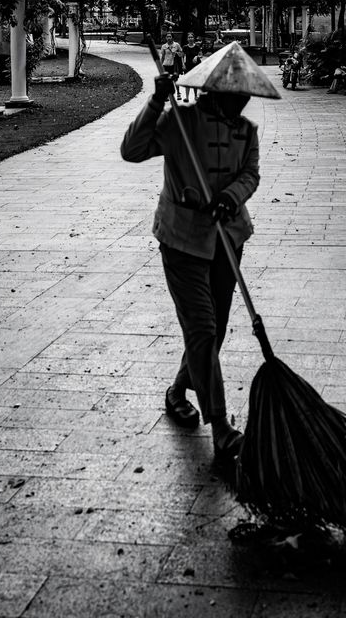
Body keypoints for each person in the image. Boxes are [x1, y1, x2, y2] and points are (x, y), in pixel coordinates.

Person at [121, 42, 278, 462]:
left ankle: (177, 391)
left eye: (247, 95)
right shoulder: (180, 122)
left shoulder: (247, 133)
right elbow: (131, 150)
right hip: (182, 240)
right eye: (237, 94)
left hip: (229, 240)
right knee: (204, 329)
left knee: (212, 329)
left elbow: (251, 175)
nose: (243, 101)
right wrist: (155, 101)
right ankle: (222, 428)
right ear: (217, 91)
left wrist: (230, 196)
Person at [159, 31, 183, 100]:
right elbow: (162, 57)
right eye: (167, 37)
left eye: (170, 36)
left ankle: (178, 93)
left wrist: (176, 53)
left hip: (174, 65)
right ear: (166, 38)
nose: (169, 38)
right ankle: (167, 95)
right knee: (167, 81)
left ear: (172, 37)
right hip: (166, 65)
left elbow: (181, 54)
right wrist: (160, 65)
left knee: (175, 79)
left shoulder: (176, 45)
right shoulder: (164, 46)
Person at [181, 32, 202, 103]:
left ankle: (195, 95)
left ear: (194, 38)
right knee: (187, 81)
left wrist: (196, 56)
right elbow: (182, 56)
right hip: (187, 65)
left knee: (194, 81)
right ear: (187, 39)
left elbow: (201, 55)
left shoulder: (197, 47)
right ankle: (187, 97)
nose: (190, 39)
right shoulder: (185, 47)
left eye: (191, 37)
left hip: (195, 65)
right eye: (189, 37)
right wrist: (183, 64)